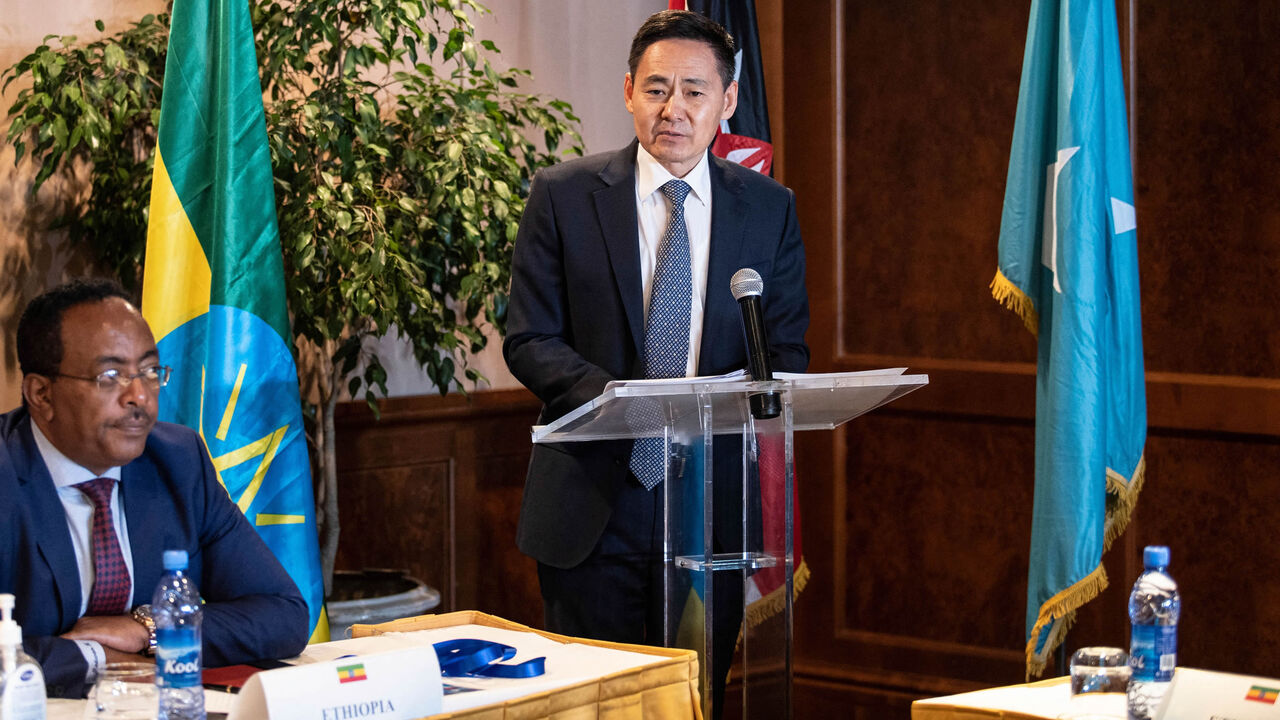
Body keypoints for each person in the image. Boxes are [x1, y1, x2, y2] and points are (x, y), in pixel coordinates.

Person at [503, 8, 809, 710]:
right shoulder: (565, 196)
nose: (674, 109)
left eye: (695, 91)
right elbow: (528, 339)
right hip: (592, 506)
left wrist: (744, 391)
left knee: (692, 702)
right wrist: (626, 403)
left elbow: (787, 349)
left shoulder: (768, 209)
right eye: (657, 88)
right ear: (628, 92)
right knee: (596, 705)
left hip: (712, 512)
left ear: (727, 102)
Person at [0, 278, 309, 698]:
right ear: (41, 393)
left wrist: (148, 631)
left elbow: (282, 614)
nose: (140, 397)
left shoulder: (178, 460)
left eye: (149, 371)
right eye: (110, 376)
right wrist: (99, 659)